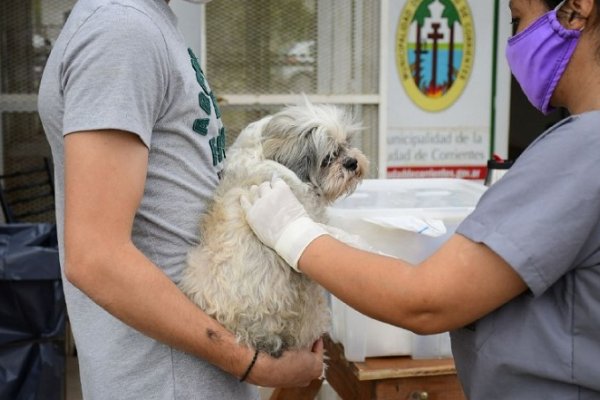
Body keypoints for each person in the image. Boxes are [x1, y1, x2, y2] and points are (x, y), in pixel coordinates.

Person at [241, 0, 600, 398]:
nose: (514, 41)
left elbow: (425, 301)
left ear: (577, 10)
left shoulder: (583, 150)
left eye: (516, 20)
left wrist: (293, 233)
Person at [37, 0, 323, 398]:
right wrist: (249, 361)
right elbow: (96, 257)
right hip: (165, 383)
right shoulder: (121, 31)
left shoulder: (143, 23)